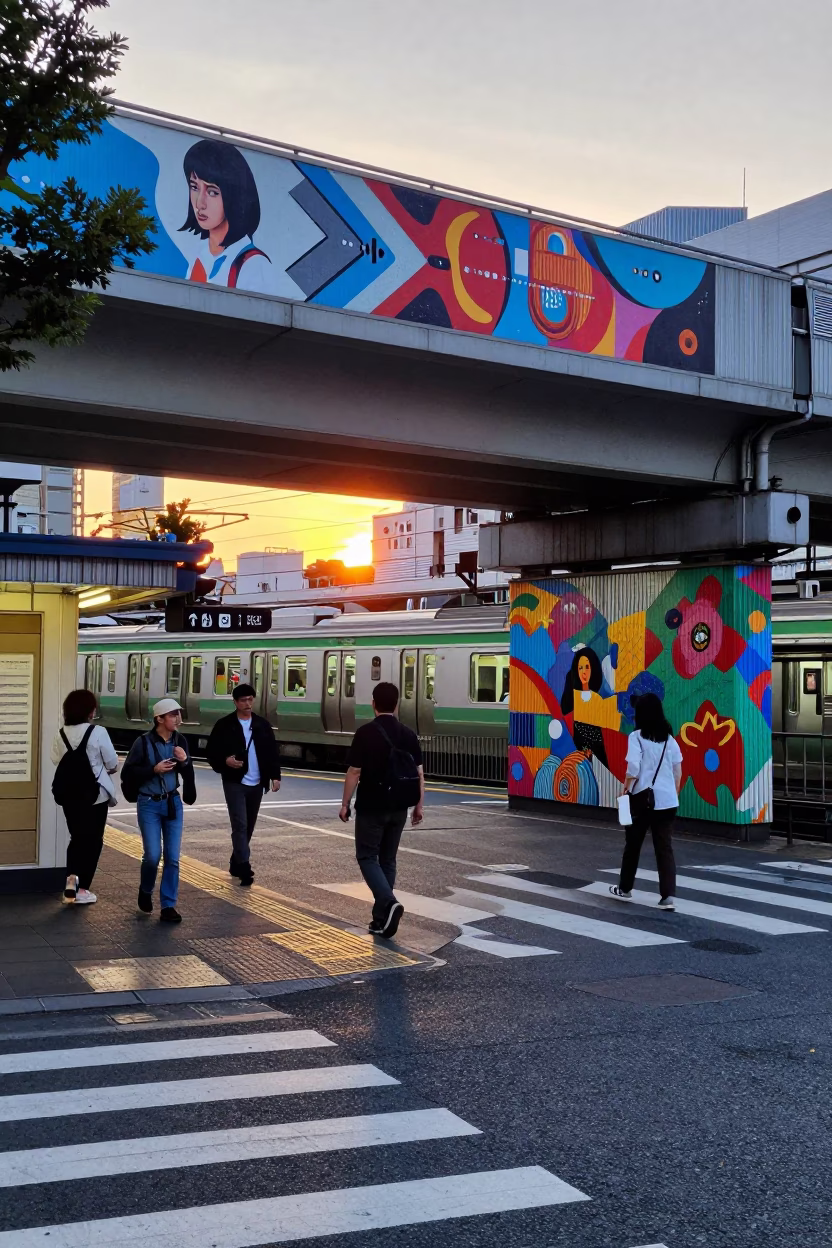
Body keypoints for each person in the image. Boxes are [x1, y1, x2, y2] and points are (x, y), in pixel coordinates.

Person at [339, 682, 424, 938]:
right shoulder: (408, 734)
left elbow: (354, 771)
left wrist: (345, 803)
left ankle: (388, 902)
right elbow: (419, 773)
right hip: (399, 806)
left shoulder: (365, 733)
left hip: (372, 805)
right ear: (397, 704)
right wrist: (419, 805)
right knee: (387, 860)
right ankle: (380, 921)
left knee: (367, 857)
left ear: (373, 703)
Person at [121, 698, 196, 923]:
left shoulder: (180, 740)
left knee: (172, 857)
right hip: (149, 803)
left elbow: (188, 773)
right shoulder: (142, 743)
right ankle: (145, 890)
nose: (178, 719)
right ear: (159, 719)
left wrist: (185, 762)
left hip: (173, 803)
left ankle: (168, 905)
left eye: (178, 714)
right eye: (173, 715)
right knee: (152, 856)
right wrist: (153, 770)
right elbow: (128, 774)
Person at [610, 692, 683, 911]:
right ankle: (667, 896)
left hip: (642, 800)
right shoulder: (670, 740)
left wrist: (626, 788)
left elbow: (633, 767)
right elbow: (677, 771)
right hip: (667, 801)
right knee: (665, 848)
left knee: (633, 845)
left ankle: (625, 888)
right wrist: (673, 794)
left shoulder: (636, 737)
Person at [206, 683, 281, 886]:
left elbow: (272, 752)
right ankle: (245, 866)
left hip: (257, 782)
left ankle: (235, 861)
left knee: (249, 826)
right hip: (235, 781)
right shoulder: (224, 725)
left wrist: (275, 776)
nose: (248, 704)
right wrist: (226, 762)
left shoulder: (262, 725)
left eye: (250, 699)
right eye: (243, 701)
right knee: (239, 824)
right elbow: (211, 753)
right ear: (235, 703)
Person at [50, 689, 119, 905]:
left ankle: (71, 883)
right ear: (90, 710)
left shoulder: (60, 734)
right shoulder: (98, 732)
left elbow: (56, 760)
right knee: (93, 841)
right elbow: (113, 763)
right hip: (94, 796)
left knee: (77, 838)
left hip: (69, 795)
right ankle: (82, 889)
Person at [179, 138, 274, 293]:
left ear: (234, 196)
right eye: (194, 187)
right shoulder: (199, 258)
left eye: (212, 192)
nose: (200, 203)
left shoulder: (252, 264)